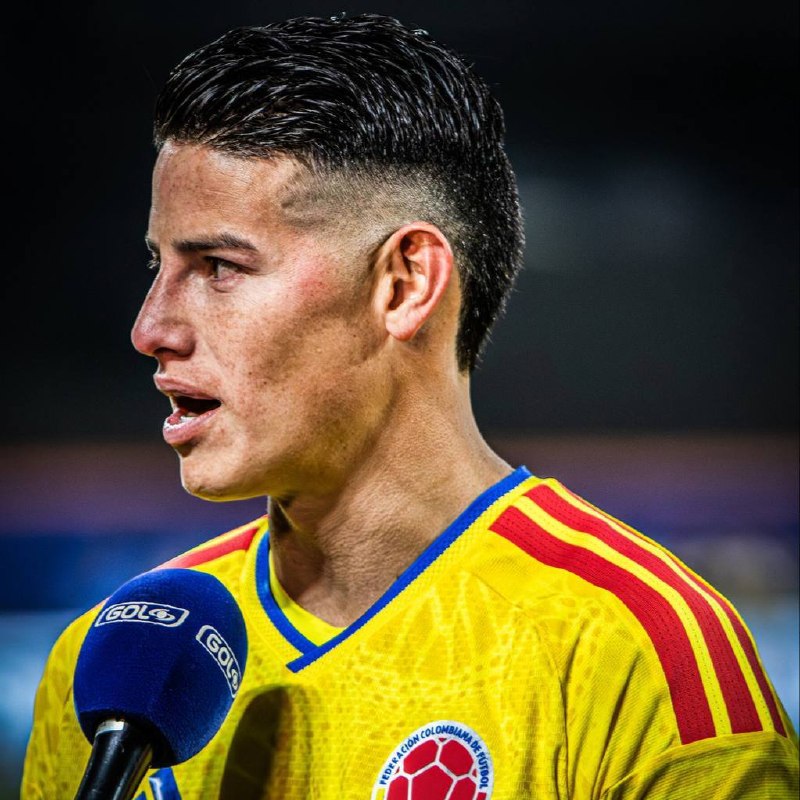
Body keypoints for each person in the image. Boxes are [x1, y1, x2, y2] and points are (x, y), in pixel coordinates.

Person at [21, 13, 798, 800]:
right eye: (158, 266)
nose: (150, 328)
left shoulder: (644, 658)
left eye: (219, 266)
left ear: (404, 284)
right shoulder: (106, 665)